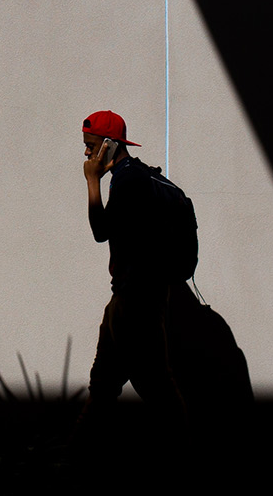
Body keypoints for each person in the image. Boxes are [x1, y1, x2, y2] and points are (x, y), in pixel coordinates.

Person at [79, 109, 188, 429]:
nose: (86, 151)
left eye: (90, 144)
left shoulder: (127, 180)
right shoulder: (137, 176)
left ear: (109, 145)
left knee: (160, 391)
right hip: (128, 300)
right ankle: (72, 462)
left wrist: (91, 181)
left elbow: (101, 231)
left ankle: (189, 465)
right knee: (102, 388)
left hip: (136, 303)